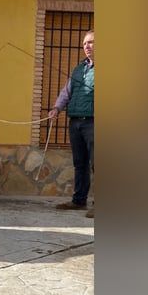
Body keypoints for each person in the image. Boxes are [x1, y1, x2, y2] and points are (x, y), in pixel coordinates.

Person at [48, 30, 94, 218]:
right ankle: (79, 200)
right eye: (84, 43)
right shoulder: (78, 69)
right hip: (75, 121)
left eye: (91, 42)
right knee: (80, 163)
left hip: (95, 121)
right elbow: (65, 93)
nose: (87, 46)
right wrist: (56, 109)